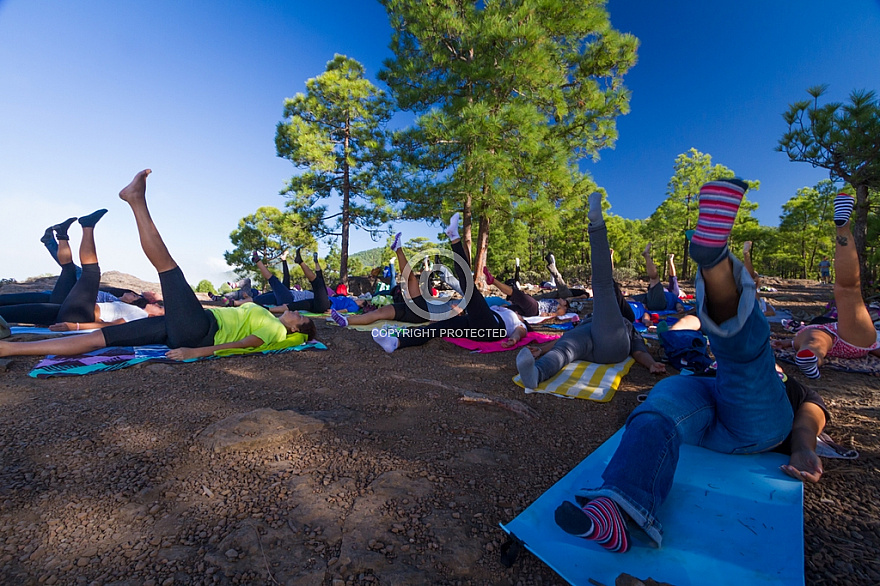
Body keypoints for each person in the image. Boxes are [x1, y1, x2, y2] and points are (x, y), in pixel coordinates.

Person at [551, 179, 794, 552]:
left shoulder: (784, 385)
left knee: (743, 360)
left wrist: (807, 445)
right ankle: (615, 511)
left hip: (756, 421)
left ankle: (713, 259)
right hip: (706, 406)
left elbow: (810, 404)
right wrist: (653, 367)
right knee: (658, 406)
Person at [0, 169, 316, 361]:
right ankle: (10, 350)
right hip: (182, 327)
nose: (295, 311)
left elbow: (241, 346)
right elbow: (268, 308)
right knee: (100, 340)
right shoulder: (274, 317)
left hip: (200, 331)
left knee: (169, 270)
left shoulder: (275, 330)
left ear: (296, 328)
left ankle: (137, 200)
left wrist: (196, 353)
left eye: (299, 316)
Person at [515, 193, 666, 388]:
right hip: (587, 338)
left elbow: (638, 350)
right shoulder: (594, 318)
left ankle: (596, 226)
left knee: (603, 285)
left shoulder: (626, 324)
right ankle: (536, 374)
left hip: (610, 345)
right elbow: (565, 341)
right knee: (565, 349)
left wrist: (651, 364)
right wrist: (542, 350)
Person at [370, 214, 528, 353]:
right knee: (436, 328)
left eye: (520, 313)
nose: (516, 311)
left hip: (492, 330)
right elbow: (476, 312)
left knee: (469, 289)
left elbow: (521, 331)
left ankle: (454, 238)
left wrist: (513, 339)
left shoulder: (519, 322)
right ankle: (396, 343)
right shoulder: (500, 309)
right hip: (474, 326)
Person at [773, 194, 880, 379]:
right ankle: (843, 229)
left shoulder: (810, 330)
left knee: (815, 342)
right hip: (855, 338)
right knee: (848, 289)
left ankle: (812, 357)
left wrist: (788, 342)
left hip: (815, 332)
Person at [0, 210, 162, 329]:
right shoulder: (136, 308)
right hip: (68, 307)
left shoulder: (141, 316)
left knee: (90, 273)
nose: (158, 304)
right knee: (69, 270)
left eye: (160, 307)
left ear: (157, 315)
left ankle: (87, 226)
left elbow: (109, 325)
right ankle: (63, 234)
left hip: (76, 313)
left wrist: (75, 327)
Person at [330, 232, 445, 327]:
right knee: (378, 313)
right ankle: (347, 321)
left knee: (411, 279)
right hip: (409, 311)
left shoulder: (450, 307)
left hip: (422, 310)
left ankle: (398, 249)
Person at [631, 244, 685, 313]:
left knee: (654, 279)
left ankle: (647, 255)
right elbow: (673, 277)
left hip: (661, 302)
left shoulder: (675, 295)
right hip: (651, 299)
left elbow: (679, 305)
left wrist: (680, 309)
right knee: (631, 299)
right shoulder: (673, 294)